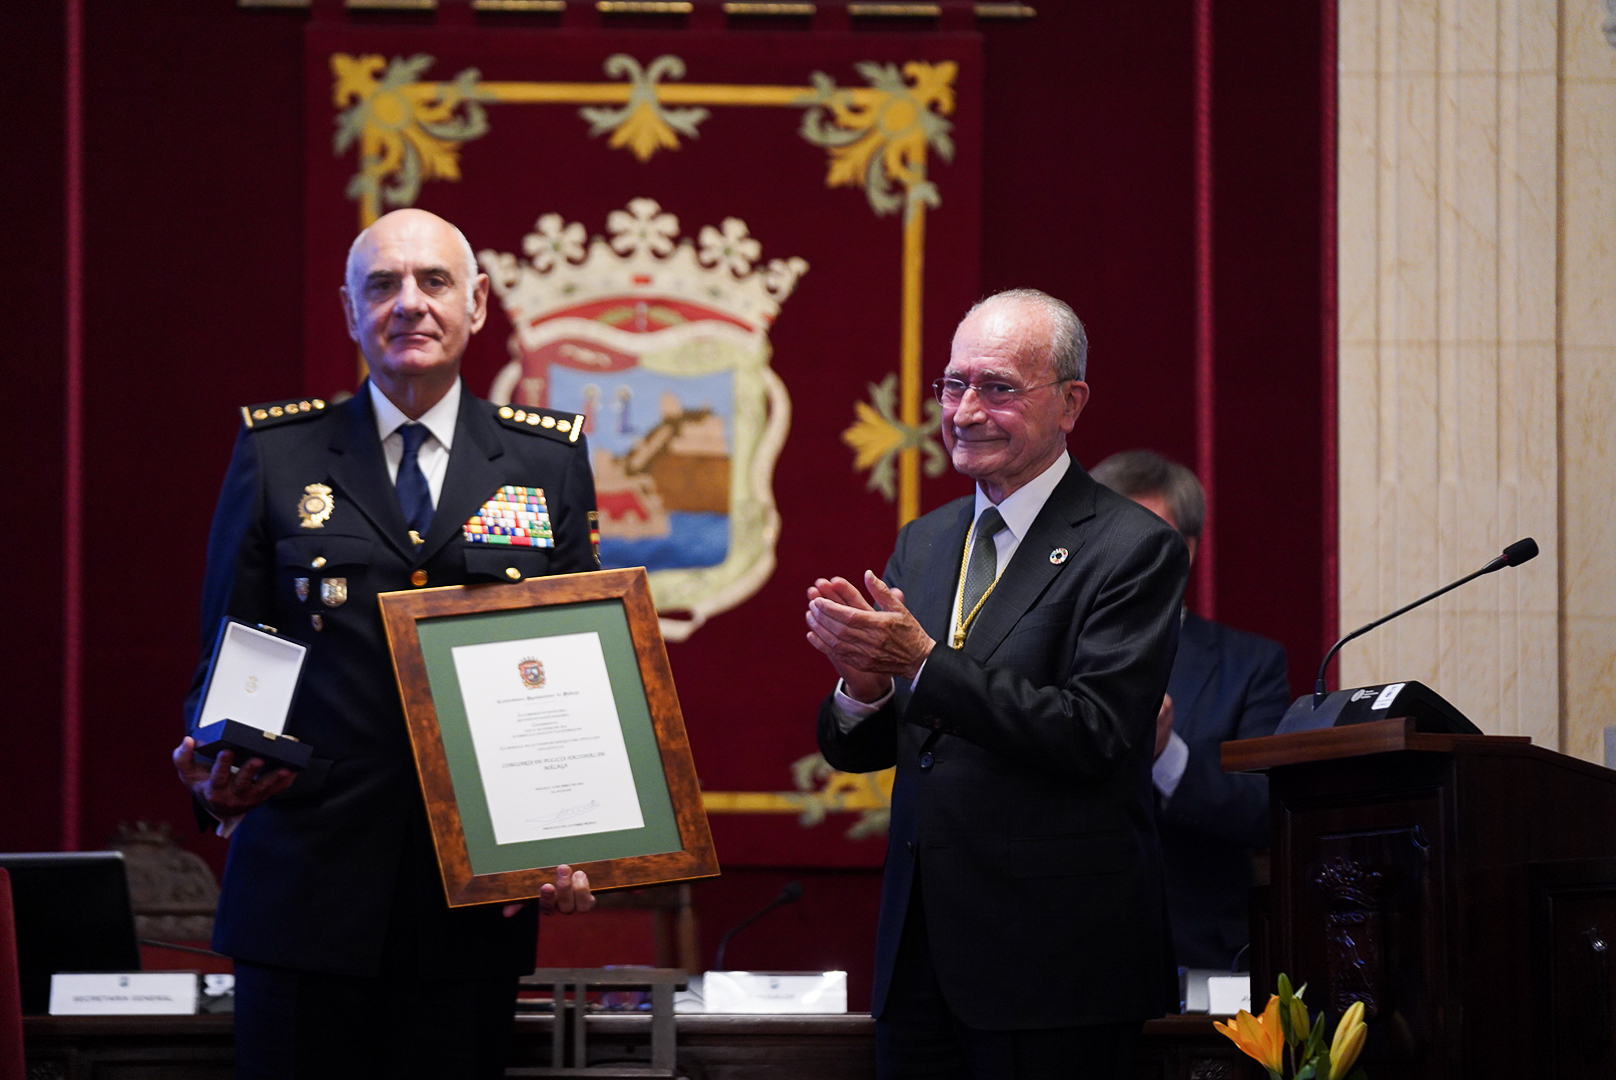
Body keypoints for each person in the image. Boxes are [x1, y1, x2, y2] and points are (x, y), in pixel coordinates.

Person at [172, 209, 598, 1080]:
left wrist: (579, 829)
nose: (410, 303)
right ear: (348, 310)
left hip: (472, 904)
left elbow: (575, 663)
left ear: (478, 303)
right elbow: (236, 644)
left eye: (434, 281)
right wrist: (218, 770)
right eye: (383, 285)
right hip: (304, 895)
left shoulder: (543, 462)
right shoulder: (278, 454)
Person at [806, 290, 1190, 1079]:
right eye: (953, 386)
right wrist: (863, 688)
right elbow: (902, 742)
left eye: (998, 389)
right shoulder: (928, 537)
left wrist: (919, 661)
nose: (966, 410)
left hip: (1053, 966)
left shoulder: (1132, 548)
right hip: (919, 961)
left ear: (1070, 402)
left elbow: (1096, 735)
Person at [1089, 450, 1290, 975]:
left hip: (1199, 951)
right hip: (1064, 951)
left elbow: (1266, 811)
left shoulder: (1250, 664)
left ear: (1188, 550)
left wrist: (1166, 756)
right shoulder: (1037, 653)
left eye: (1148, 537)